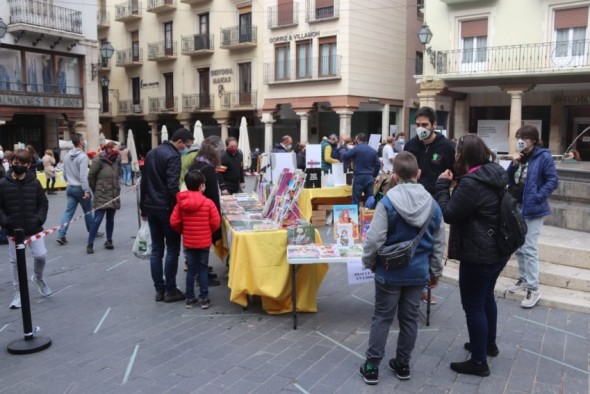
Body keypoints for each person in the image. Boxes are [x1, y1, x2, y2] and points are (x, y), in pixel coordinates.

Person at [359, 152, 445, 386]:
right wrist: (435, 272)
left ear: (395, 177)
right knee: (409, 320)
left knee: (382, 318)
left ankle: (371, 367)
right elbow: (439, 242)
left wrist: (368, 262)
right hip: (418, 273)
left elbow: (375, 239)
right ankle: (403, 364)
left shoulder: (387, 203)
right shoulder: (433, 204)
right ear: (418, 174)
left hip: (389, 272)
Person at [434, 134, 510, 376]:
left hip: (479, 253)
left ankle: (478, 361)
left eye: (457, 153)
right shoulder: (492, 173)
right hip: (497, 250)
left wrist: (442, 187)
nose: (455, 156)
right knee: (486, 297)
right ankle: (487, 344)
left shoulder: (472, 183)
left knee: (474, 306)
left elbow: (450, 214)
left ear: (464, 156)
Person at [404, 106, 455, 304]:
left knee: (431, 245)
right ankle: (414, 287)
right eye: (417, 125)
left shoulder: (447, 147)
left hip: (435, 203)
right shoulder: (410, 145)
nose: (420, 128)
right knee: (412, 243)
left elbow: (454, 174)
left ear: (435, 125)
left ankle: (426, 285)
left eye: (424, 125)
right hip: (411, 201)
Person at [506, 125, 558, 308]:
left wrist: (538, 196)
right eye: (519, 137)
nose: (520, 140)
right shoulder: (519, 157)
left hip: (534, 209)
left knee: (529, 247)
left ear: (533, 140)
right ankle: (523, 279)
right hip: (517, 205)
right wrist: (513, 164)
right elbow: (507, 179)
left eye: (524, 138)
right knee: (519, 246)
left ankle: (534, 288)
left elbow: (553, 180)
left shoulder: (543, 156)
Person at [140, 128, 194, 303]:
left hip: (151, 205)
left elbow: (144, 182)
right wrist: (182, 202)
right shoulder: (172, 156)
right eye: (187, 145)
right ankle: (170, 290)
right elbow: (172, 185)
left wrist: (143, 207)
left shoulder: (151, 153)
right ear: (179, 141)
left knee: (156, 249)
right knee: (172, 249)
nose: (186, 148)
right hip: (166, 208)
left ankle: (159, 289)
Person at [0, 149, 51, 310]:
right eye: (16, 163)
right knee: (16, 262)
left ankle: (38, 278)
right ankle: (18, 292)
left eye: (22, 164)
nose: (19, 166)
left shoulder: (34, 183)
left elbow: (43, 203)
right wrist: (6, 222)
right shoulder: (3, 183)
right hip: (13, 231)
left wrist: (38, 219)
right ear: (11, 162)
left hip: (34, 229)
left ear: (28, 165)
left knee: (41, 255)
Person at [170, 170, 221, 309]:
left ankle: (190, 298)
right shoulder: (208, 203)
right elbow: (216, 221)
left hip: (189, 241)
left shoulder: (181, 203)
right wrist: (208, 231)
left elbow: (174, 221)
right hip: (204, 241)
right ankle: (204, 298)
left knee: (191, 269)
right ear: (201, 186)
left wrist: (184, 231)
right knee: (203, 269)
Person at [187, 136, 224, 287]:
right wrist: (218, 218)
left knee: (197, 250)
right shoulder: (207, 168)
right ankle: (202, 277)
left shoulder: (196, 162)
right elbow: (214, 196)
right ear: (214, 150)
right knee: (203, 247)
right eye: (219, 150)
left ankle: (200, 271)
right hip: (204, 213)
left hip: (193, 211)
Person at [57, 133, 103, 245]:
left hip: (70, 187)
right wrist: (86, 190)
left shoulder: (67, 156)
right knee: (88, 211)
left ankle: (61, 234)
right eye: (84, 140)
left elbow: (64, 173)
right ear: (81, 142)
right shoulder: (82, 157)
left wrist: (69, 182)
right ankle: (93, 231)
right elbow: (83, 176)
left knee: (68, 212)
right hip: (80, 188)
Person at [86, 142, 121, 254]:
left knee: (110, 219)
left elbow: (117, 175)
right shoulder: (98, 159)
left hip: (113, 193)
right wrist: (96, 189)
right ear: (109, 149)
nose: (118, 151)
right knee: (97, 219)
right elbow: (91, 176)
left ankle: (109, 240)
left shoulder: (116, 159)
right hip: (101, 193)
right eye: (116, 148)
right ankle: (90, 243)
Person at [341, 133, 381, 205]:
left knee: (356, 200)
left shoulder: (356, 149)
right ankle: (369, 215)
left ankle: (356, 215)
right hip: (369, 177)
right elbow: (378, 164)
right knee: (369, 201)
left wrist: (344, 148)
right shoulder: (373, 150)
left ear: (358, 140)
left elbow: (345, 156)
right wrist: (374, 175)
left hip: (358, 177)